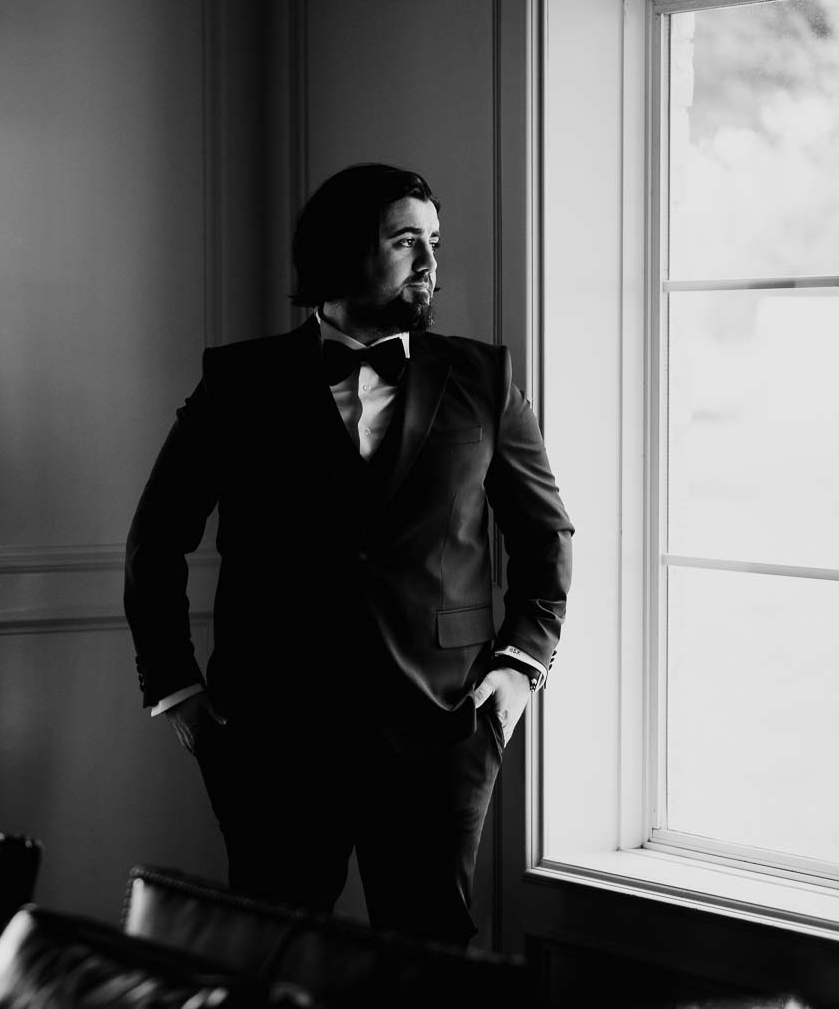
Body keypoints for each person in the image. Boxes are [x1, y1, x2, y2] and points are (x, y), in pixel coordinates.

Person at [123, 163, 573, 946]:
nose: (431, 264)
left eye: (434, 242)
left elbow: (546, 537)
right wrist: (176, 688)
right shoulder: (239, 382)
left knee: (433, 957)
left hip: (443, 727)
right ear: (339, 253)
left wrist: (518, 671)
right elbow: (156, 537)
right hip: (271, 733)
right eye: (407, 242)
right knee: (271, 952)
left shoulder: (484, 378)